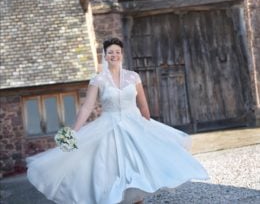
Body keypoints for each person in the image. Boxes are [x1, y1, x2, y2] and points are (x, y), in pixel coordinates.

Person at [26, 37, 209, 204]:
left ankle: (137, 200)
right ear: (105, 56)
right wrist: (75, 130)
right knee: (111, 169)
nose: (114, 55)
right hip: (109, 127)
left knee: (138, 167)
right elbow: (87, 106)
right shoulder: (98, 80)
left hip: (134, 124)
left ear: (122, 54)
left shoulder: (133, 77)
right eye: (110, 52)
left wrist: (150, 126)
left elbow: (143, 104)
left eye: (117, 52)